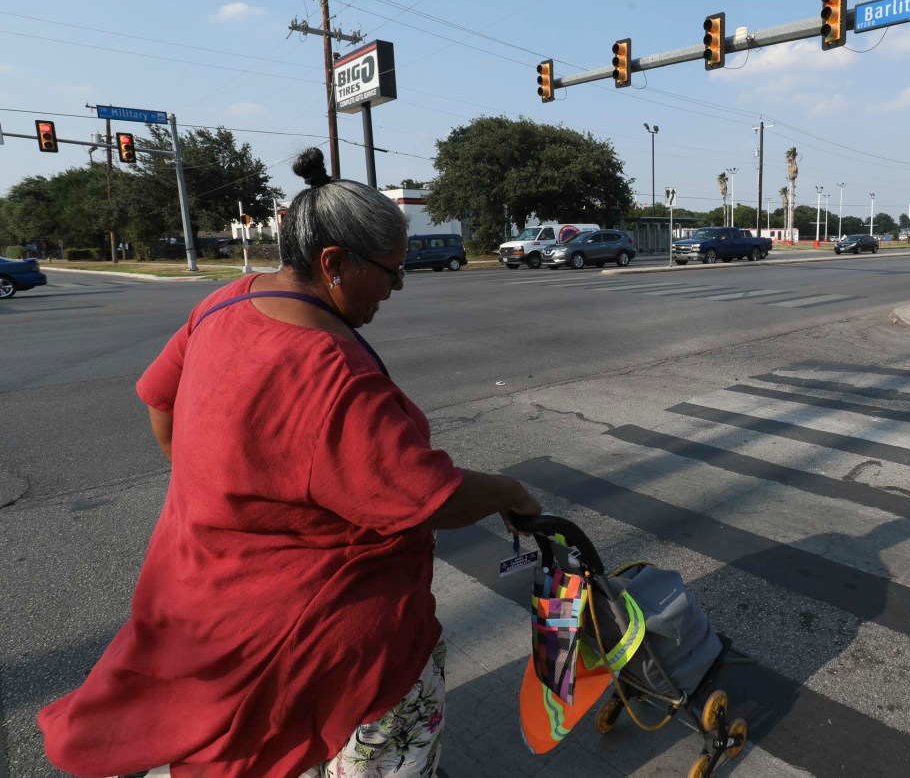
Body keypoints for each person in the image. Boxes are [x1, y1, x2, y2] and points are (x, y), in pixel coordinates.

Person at [39, 148, 541, 778]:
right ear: (334, 263)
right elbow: (430, 498)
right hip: (322, 636)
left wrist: (227, 490)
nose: (398, 287)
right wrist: (510, 490)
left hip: (201, 591)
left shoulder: (224, 302)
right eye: (391, 272)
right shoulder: (333, 376)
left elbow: (160, 404)